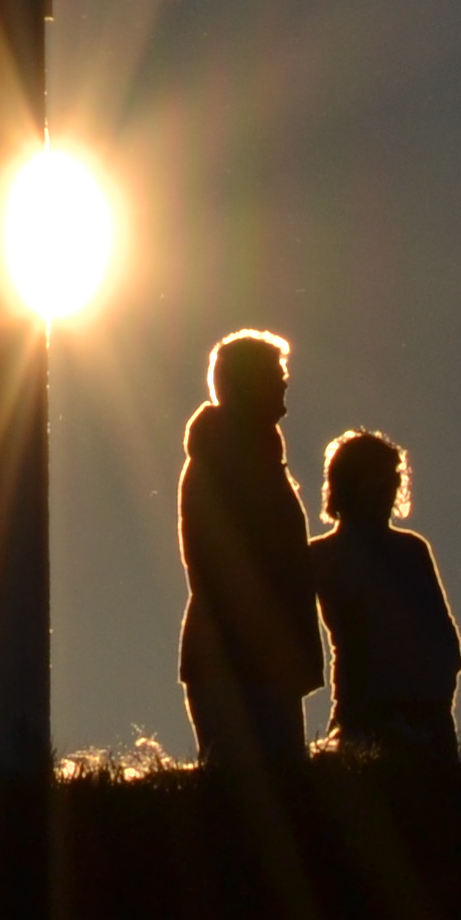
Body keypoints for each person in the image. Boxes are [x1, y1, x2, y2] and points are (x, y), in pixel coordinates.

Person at [176, 332, 323, 779]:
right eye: (276, 376)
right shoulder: (231, 460)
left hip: (256, 660)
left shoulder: (250, 456)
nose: (284, 385)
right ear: (248, 383)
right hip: (240, 662)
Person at [306, 430, 461, 759]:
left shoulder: (412, 549)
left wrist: (438, 691)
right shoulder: (323, 556)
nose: (390, 486)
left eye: (394, 476)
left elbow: (442, 634)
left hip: (426, 712)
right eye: (378, 477)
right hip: (367, 711)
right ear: (351, 483)